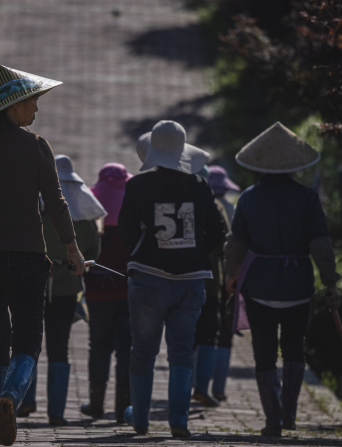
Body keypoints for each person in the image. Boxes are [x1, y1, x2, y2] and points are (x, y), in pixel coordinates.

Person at [0, 66, 87, 446]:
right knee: (27, 342)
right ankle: (11, 397)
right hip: (27, 258)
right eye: (32, 102)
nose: (36, 110)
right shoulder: (37, 147)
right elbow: (55, 205)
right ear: (13, 107)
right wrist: (72, 248)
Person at [223, 122, 341, 436]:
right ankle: (289, 415)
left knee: (263, 351)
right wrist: (330, 282)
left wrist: (231, 276)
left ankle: (273, 420)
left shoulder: (248, 198)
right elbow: (320, 243)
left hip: (259, 285)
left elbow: (236, 243)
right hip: (298, 286)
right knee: (294, 350)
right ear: (294, 165)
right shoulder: (306, 198)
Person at [119, 120, 227, 438]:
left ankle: (139, 418)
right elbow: (219, 233)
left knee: (143, 351)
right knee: (181, 351)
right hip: (191, 281)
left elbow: (126, 231)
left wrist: (144, 252)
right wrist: (194, 253)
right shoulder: (199, 186)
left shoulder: (137, 186)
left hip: (148, 280)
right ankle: (179, 421)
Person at [18, 155, 104, 425]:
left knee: (27, 343)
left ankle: (24, 402)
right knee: (59, 348)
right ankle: (56, 412)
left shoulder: (35, 211)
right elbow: (92, 253)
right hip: (67, 290)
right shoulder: (86, 221)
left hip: (32, 286)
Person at [80, 162, 133, 423]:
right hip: (127, 292)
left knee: (98, 347)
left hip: (96, 293)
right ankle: (124, 409)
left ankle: (96, 404)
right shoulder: (134, 207)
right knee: (126, 349)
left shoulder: (91, 206)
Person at [191, 165, 240, 406]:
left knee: (186, 336)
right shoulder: (216, 207)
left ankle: (182, 386)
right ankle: (201, 387)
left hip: (184, 281)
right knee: (209, 335)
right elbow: (225, 245)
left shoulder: (182, 204)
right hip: (211, 283)